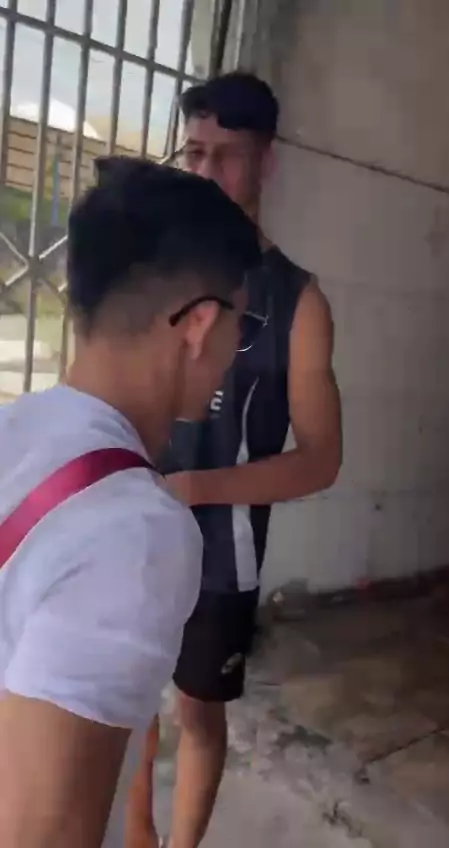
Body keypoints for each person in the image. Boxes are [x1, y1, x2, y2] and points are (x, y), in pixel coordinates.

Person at [0, 156, 261, 848]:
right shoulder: (135, 533)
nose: (236, 350)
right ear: (199, 325)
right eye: (240, 325)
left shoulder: (14, 429)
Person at [129, 73, 343, 848]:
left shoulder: (297, 302)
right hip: (137, 531)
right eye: (195, 152)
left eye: (228, 156)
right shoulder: (155, 272)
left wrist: (197, 488)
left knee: (197, 710)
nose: (207, 172)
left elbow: (321, 460)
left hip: (225, 554)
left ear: (266, 162)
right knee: (132, 697)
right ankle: (138, 832)